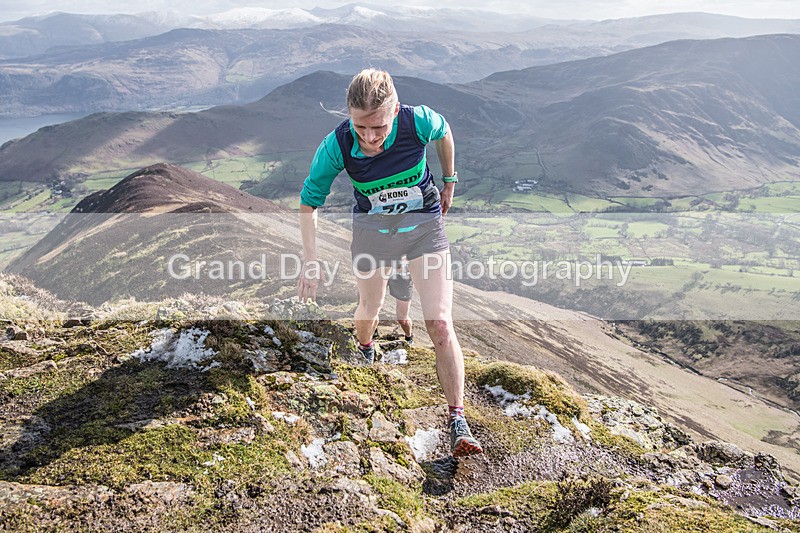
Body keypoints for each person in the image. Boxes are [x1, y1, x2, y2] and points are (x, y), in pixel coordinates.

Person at [297, 68, 483, 457]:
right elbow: (309, 202)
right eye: (360, 127)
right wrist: (310, 259)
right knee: (371, 307)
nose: (369, 138)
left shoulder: (417, 122)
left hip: (423, 227)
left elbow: (444, 131)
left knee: (440, 322)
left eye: (379, 127)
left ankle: (457, 420)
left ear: (395, 111)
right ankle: (365, 347)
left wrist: (449, 179)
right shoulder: (336, 146)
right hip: (373, 234)